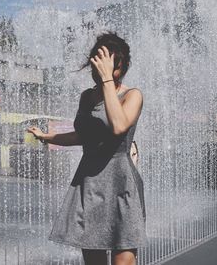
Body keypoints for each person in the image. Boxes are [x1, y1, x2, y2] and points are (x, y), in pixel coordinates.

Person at [28, 32, 146, 265]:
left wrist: (107, 83)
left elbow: (119, 126)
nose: (106, 71)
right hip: (90, 183)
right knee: (93, 260)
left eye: (113, 66)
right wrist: (47, 137)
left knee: (123, 262)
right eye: (100, 64)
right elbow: (83, 136)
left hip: (121, 181)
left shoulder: (132, 95)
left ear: (122, 67)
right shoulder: (86, 97)